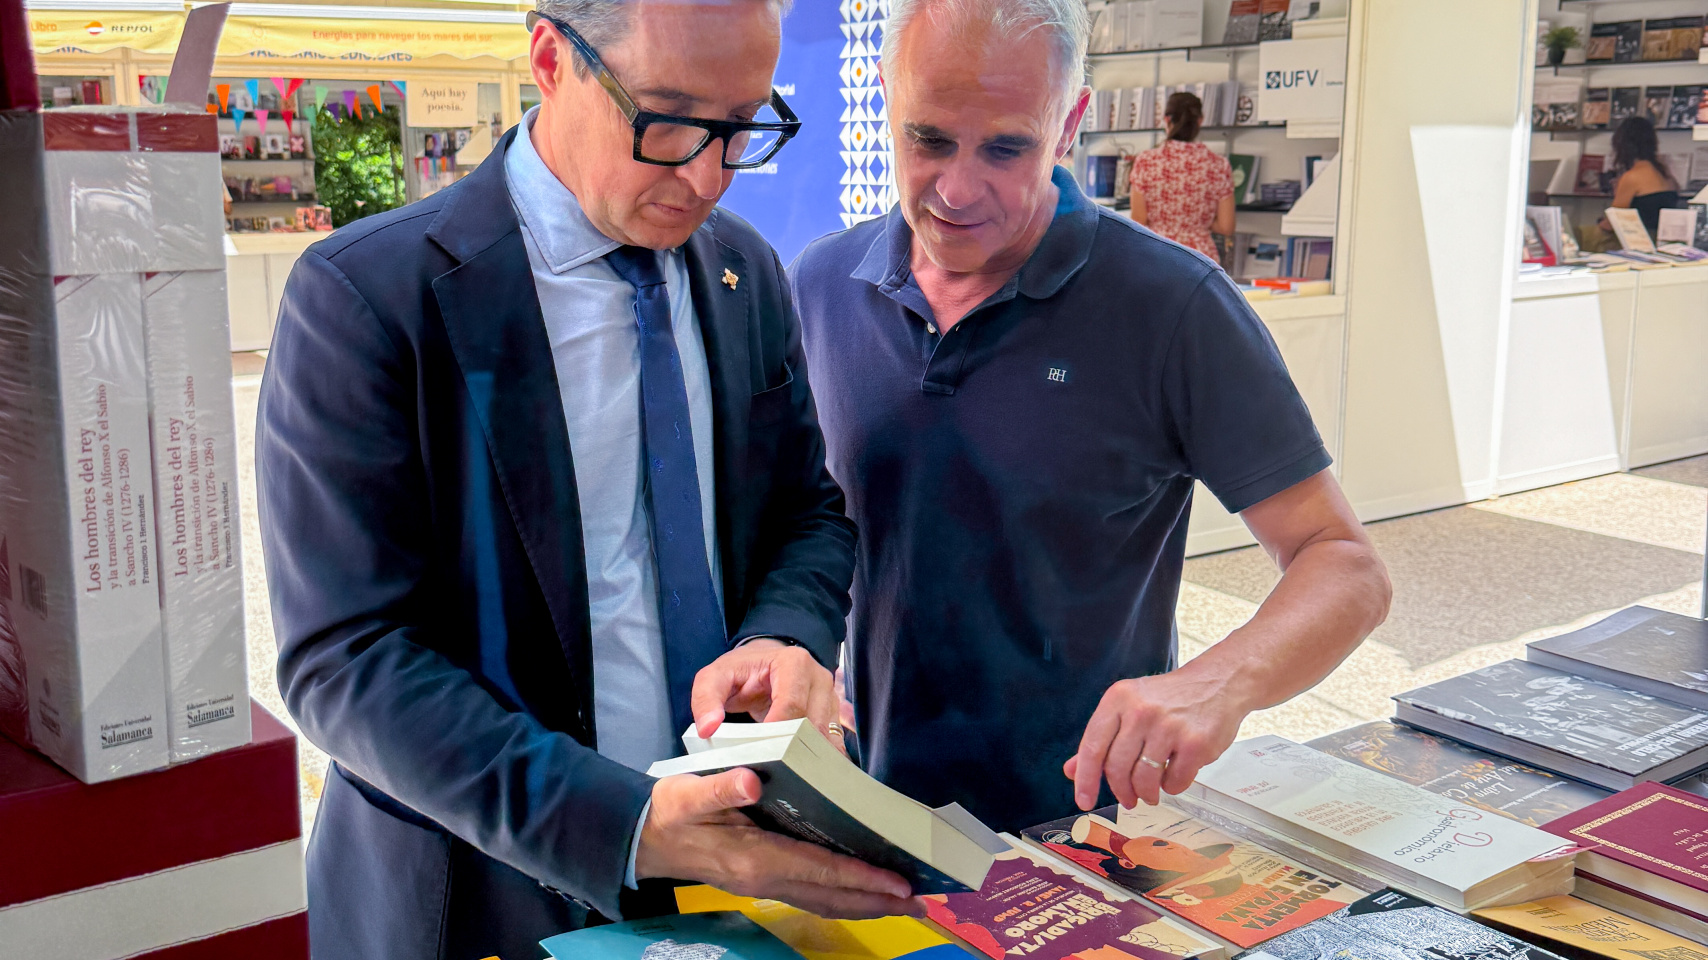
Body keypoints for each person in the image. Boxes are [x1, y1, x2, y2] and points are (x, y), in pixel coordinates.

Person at [255, 2, 922, 958]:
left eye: (741, 126)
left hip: (729, 871)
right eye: (668, 121)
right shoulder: (370, 295)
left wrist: (782, 634)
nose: (705, 175)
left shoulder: (743, 271)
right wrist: (626, 826)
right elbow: (345, 658)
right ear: (550, 59)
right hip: (476, 887)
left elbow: (805, 514)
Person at [790, 0, 1391, 834]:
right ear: (887, 100)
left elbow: (1346, 566)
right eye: (928, 140)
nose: (957, 189)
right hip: (865, 807)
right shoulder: (819, 284)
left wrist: (1219, 682)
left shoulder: (1172, 305)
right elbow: (800, 524)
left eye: (1007, 148)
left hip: (1082, 828)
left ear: (1069, 126)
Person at [1127, 91, 1235, 261]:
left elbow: (1139, 219)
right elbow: (1226, 226)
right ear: (1200, 121)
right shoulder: (1218, 165)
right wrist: (1198, 223)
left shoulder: (1146, 161)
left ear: (1166, 120)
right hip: (1201, 258)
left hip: (1158, 252)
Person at [1601, 116, 1680, 237]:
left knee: (1581, 234)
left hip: (1639, 239)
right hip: (1661, 237)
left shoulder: (1632, 177)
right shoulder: (1666, 174)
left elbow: (1612, 223)